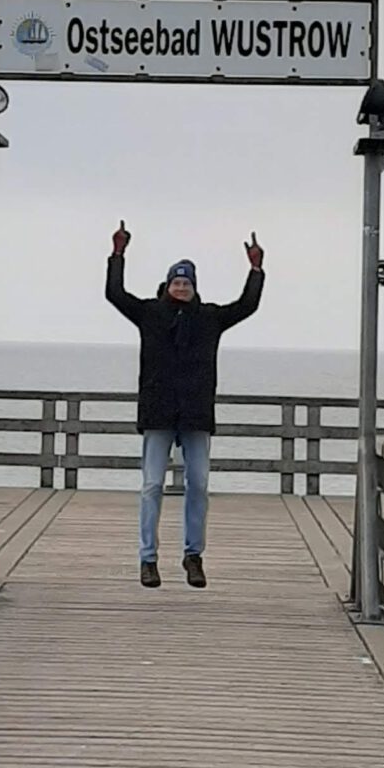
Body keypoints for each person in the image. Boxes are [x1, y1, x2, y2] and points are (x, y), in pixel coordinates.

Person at [105, 222, 264, 586]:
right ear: (167, 284)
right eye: (176, 282)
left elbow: (246, 306)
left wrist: (255, 270)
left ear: (194, 287)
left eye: (187, 283)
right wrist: (118, 254)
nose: (181, 288)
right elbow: (115, 293)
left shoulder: (209, 318)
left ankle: (194, 556)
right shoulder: (149, 313)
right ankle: (148, 560)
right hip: (159, 411)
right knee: (151, 485)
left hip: (195, 413)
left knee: (199, 483)